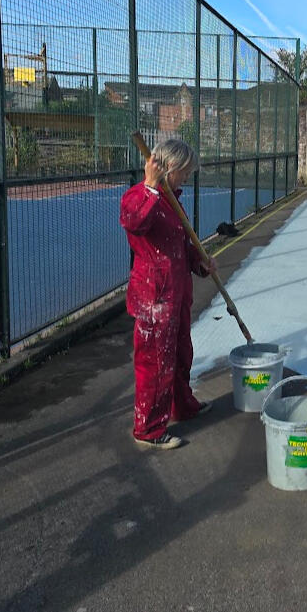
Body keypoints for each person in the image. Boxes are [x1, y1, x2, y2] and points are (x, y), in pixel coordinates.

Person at [120, 139, 217, 450]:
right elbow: (135, 223)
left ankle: (182, 405)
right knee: (155, 361)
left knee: (180, 352)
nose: (186, 177)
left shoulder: (173, 200)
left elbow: (182, 244)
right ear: (168, 167)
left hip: (177, 294)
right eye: (184, 172)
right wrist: (150, 186)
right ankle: (148, 428)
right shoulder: (139, 196)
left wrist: (200, 263)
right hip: (154, 297)